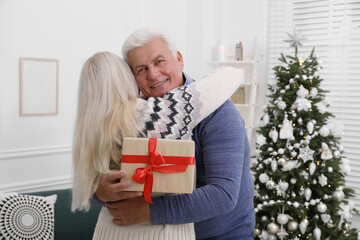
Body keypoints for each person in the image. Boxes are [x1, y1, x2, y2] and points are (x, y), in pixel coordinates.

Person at [94, 28, 255, 240]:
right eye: (141, 69)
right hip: (162, 234)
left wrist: (147, 212)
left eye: (159, 61)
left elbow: (223, 195)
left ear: (179, 59)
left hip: (222, 235)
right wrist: (100, 193)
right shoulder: (133, 115)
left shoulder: (220, 114)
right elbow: (99, 178)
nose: (152, 74)